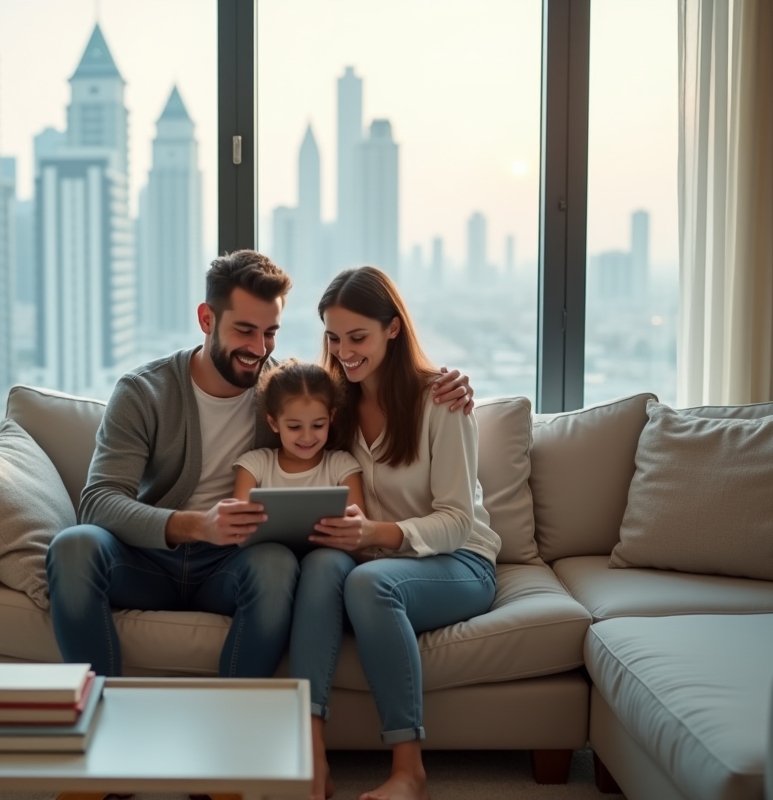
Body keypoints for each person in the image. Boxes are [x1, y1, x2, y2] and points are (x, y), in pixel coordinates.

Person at [45, 250, 476, 681]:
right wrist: (196, 525)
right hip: (149, 559)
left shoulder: (281, 392)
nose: (258, 348)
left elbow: (361, 394)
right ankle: (99, 707)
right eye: (245, 330)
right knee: (73, 545)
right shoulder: (144, 392)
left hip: (231, 566)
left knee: (276, 565)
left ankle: (239, 722)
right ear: (206, 319)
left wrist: (448, 384)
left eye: (270, 332)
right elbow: (98, 503)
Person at [292, 266, 502, 800]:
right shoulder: (332, 405)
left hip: (459, 562)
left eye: (357, 337)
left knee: (369, 584)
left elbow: (456, 520)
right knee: (320, 567)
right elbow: (278, 400)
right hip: (371, 556)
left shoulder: (442, 402)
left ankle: (410, 772)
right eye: (333, 338)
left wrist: (375, 534)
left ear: (392, 328)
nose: (344, 351)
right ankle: (311, 762)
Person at [231, 359, 365, 515]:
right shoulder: (254, 466)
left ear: (331, 417)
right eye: (294, 427)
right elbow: (239, 526)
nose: (307, 437)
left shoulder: (342, 466)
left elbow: (358, 528)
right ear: (273, 423)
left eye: (318, 425)